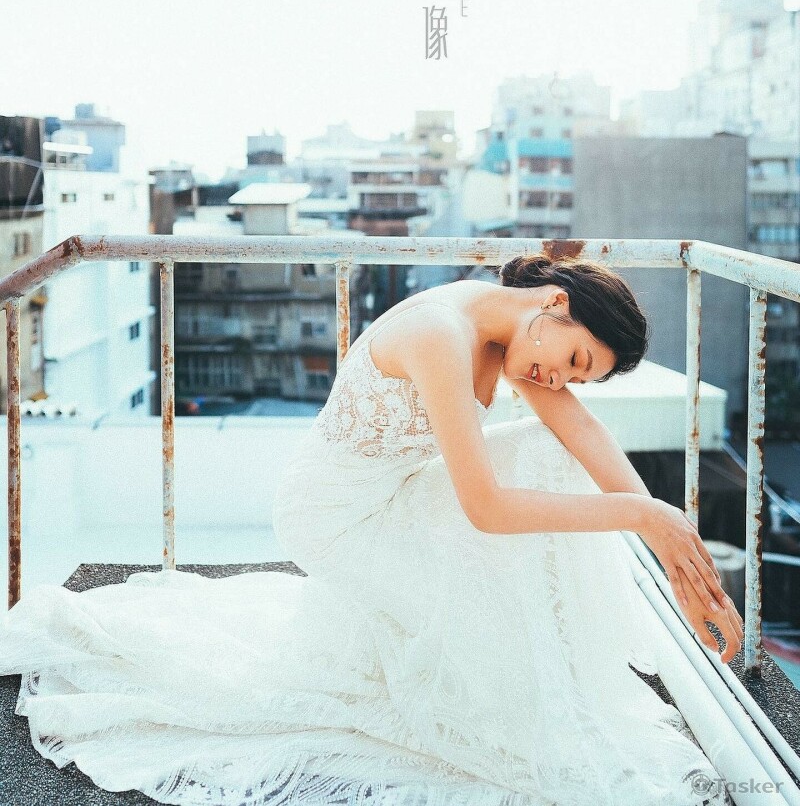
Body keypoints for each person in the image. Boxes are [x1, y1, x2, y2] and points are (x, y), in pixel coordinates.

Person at [0, 254, 743, 806]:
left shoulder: (511, 333)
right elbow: (486, 508)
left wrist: (676, 550)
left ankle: (567, 669)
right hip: (334, 519)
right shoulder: (441, 334)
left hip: (400, 494)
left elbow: (583, 434)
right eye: (573, 360)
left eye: (577, 377)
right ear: (555, 303)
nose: (559, 381)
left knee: (553, 453)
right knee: (488, 642)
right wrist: (645, 515)